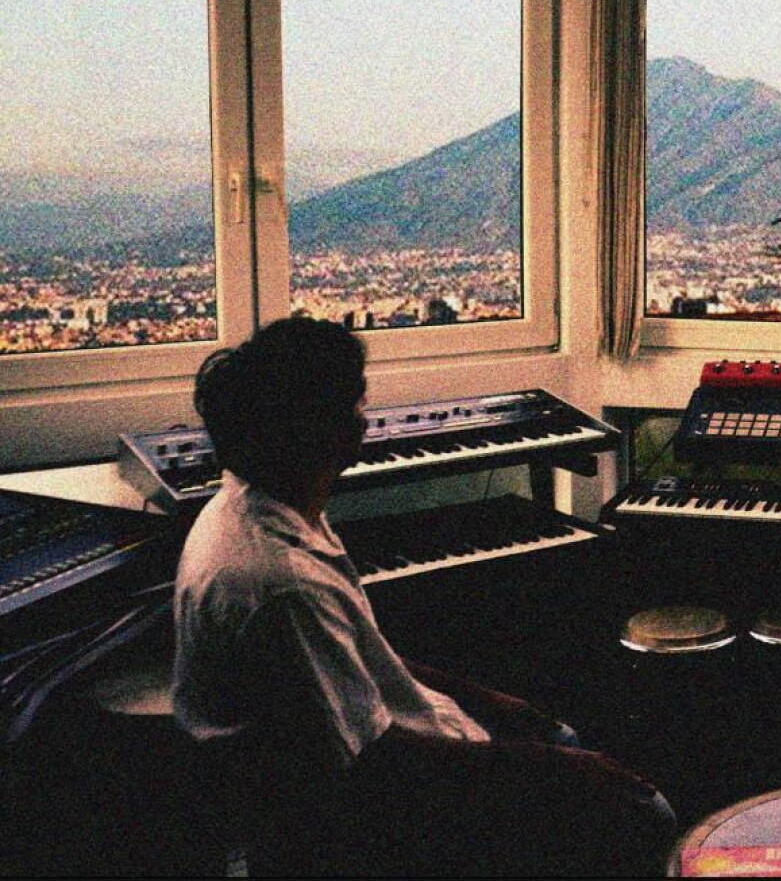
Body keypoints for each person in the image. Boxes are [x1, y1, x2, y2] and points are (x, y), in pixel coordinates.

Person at [171, 317, 673, 875]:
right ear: (321, 431)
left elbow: (360, 653)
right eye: (357, 404)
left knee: (561, 734)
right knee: (644, 812)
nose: (365, 418)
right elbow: (376, 763)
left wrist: (488, 700)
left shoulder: (265, 501)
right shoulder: (281, 582)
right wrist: (556, 765)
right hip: (359, 813)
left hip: (396, 749)